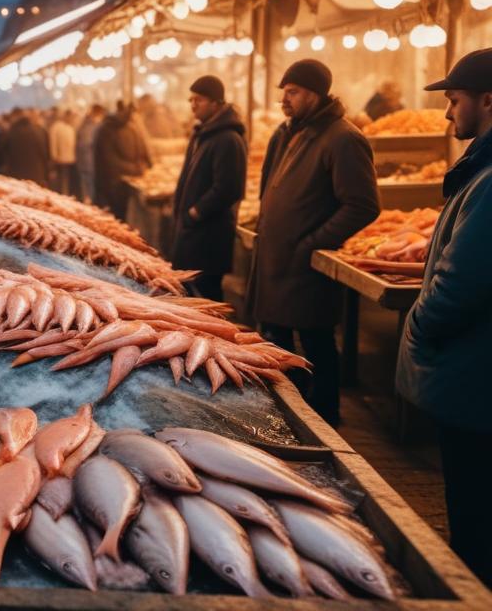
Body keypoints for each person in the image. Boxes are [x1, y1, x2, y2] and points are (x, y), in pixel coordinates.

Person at [395, 49, 492, 584]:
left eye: (454, 100)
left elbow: (462, 281)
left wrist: (418, 326)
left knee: (475, 514)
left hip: (477, 378)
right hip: (476, 374)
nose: (448, 113)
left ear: (487, 100)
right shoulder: (482, 167)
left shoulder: (491, 177)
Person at [247, 59, 379, 426]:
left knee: (317, 343)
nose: (284, 100)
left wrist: (312, 244)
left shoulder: (343, 138)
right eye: (283, 93)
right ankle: (291, 418)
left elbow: (362, 205)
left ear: (316, 94)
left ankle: (324, 420)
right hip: (278, 260)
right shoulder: (289, 132)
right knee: (280, 344)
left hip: (304, 265)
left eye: (294, 92)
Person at [170, 77, 248, 302]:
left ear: (217, 103)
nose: (193, 104)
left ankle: (217, 337)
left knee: (207, 297)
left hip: (209, 236)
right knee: (192, 293)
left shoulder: (228, 139)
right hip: (194, 233)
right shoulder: (202, 134)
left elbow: (229, 188)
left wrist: (195, 212)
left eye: (199, 99)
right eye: (191, 99)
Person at [95, 102, 153, 217]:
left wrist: (147, 163)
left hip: (122, 182)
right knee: (112, 216)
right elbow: (110, 161)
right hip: (110, 183)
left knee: (122, 214)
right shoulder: (108, 129)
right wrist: (135, 169)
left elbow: (142, 148)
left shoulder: (131, 127)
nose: (137, 120)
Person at [0, 109, 50, 186]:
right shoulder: (39, 131)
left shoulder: (10, 132)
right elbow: (44, 155)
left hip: (15, 175)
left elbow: (1, 152)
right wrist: (46, 175)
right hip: (36, 175)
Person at [76, 104, 105, 203]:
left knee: (88, 186)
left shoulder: (85, 124)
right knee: (90, 189)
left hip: (85, 161)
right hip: (89, 162)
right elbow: (85, 144)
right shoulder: (90, 126)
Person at [49, 109, 78, 196]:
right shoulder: (56, 127)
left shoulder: (71, 128)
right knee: (61, 182)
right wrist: (54, 156)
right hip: (60, 160)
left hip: (71, 160)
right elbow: (53, 143)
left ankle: (67, 195)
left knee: (68, 182)